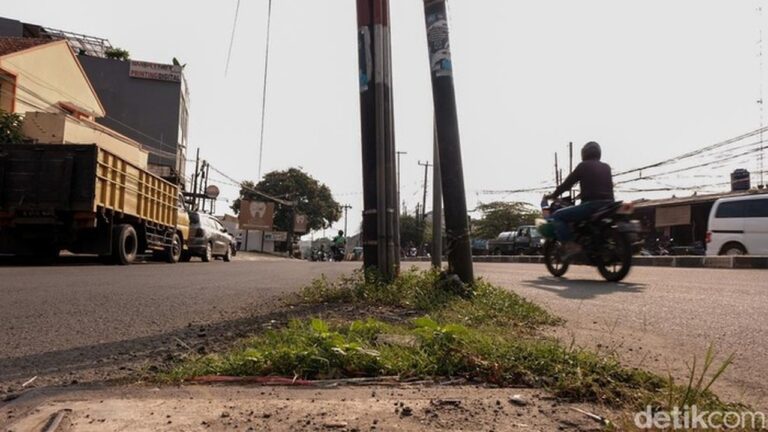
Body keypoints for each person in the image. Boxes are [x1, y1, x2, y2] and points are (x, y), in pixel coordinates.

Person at [545, 141, 615, 253]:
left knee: (557, 216)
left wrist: (554, 195)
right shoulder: (606, 167)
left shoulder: (583, 166)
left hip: (591, 206)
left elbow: (567, 184)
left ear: (584, 153)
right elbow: (601, 185)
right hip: (609, 205)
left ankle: (570, 245)